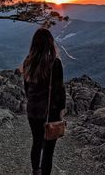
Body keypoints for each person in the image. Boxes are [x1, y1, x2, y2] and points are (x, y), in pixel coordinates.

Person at [22, 28, 66, 175]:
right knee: (48, 150)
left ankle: (35, 171)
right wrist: (60, 112)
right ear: (50, 43)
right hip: (49, 112)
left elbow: (26, 88)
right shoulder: (55, 63)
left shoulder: (28, 61)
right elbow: (59, 91)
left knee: (36, 142)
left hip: (32, 111)